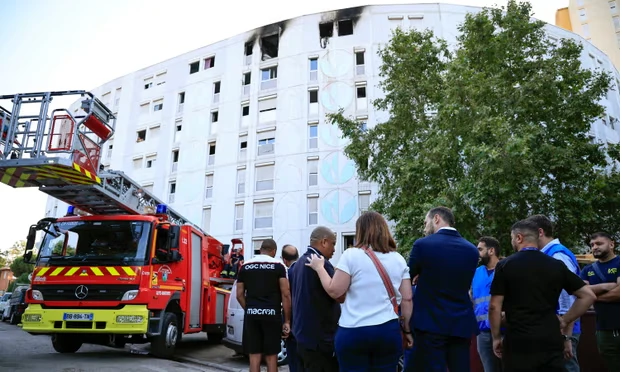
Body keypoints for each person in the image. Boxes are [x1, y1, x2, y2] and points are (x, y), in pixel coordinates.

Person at [306, 211, 414, 371]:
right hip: (387, 331)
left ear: (360, 231)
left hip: (353, 332)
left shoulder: (351, 255)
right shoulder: (398, 258)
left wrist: (319, 268)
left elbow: (335, 291)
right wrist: (407, 330)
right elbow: (407, 300)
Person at [488, 219, 596, 372]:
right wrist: (565, 320)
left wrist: (496, 337)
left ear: (519, 238)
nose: (512, 242)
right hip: (550, 339)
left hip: (518, 340)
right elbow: (588, 295)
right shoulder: (556, 264)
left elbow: (494, 307)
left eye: (512, 239)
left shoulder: (505, 265)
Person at [406, 206, 479, 372]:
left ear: (436, 218)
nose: (425, 228)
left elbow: (407, 279)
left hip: (430, 323)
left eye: (426, 223)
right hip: (461, 323)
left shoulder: (423, 245)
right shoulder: (472, 250)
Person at [526, 214, 582, 371]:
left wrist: (565, 335)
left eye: (528, 235)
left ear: (540, 232)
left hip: (562, 330)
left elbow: (567, 298)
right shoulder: (549, 254)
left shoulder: (557, 255)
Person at [289, 226, 341, 372]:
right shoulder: (320, 263)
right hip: (320, 339)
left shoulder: (298, 263)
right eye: (333, 243)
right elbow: (337, 292)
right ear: (324, 242)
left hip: (302, 335)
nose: (334, 249)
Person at [236, 239, 291, 372]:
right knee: (271, 357)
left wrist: (250, 309)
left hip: (252, 316)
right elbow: (285, 294)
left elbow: (239, 294)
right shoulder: (279, 266)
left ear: (260, 250)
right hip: (272, 315)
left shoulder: (245, 266)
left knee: (254, 357)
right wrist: (287, 320)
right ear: (274, 251)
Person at [580, 232, 620, 372]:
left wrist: (593, 296)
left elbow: (620, 293)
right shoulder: (587, 270)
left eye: (599, 244)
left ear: (611, 244)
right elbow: (581, 293)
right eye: (592, 245)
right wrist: (606, 286)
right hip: (603, 329)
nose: (594, 247)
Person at [471, 236, 503, 372]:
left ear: (491, 251)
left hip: (504, 329)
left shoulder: (505, 269)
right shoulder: (476, 273)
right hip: (482, 331)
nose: (477, 253)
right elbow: (472, 298)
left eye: (480, 249)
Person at [282, 244, 303, 372]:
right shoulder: (306, 271)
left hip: (294, 324)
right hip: (307, 327)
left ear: (284, 260)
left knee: (295, 362)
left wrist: (286, 321)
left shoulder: (288, 274)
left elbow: (287, 298)